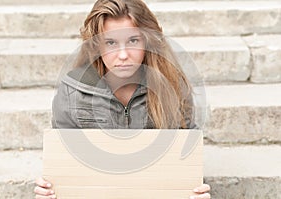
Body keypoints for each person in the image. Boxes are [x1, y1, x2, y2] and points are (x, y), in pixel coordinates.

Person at [34, 0, 211, 198]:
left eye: (133, 41)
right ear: (96, 47)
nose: (123, 55)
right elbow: (63, 162)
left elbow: (186, 156)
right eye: (111, 43)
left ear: (147, 41)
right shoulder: (72, 91)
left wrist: (194, 191)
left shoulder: (174, 87)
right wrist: (50, 191)